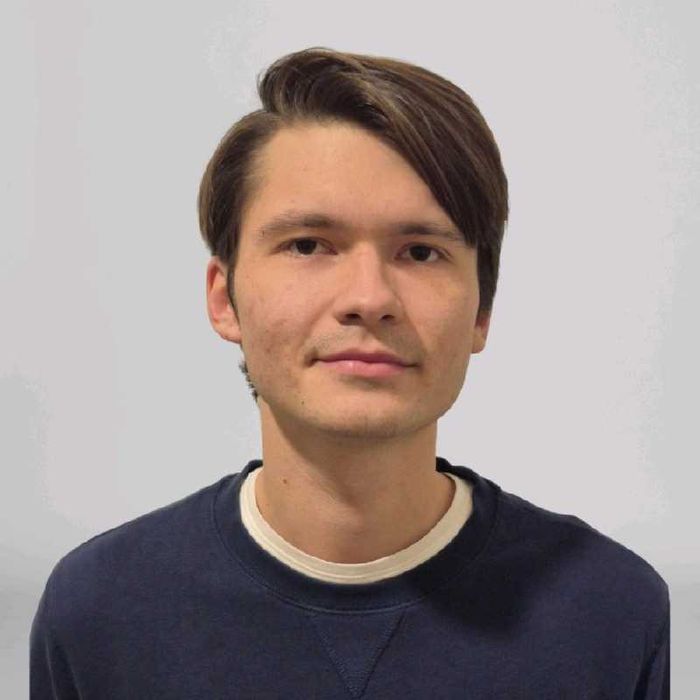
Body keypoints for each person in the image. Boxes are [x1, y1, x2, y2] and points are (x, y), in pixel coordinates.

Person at [30, 46, 670, 698]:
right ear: (224, 298)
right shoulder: (99, 612)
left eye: (420, 252)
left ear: (482, 311)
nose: (369, 297)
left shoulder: (610, 612)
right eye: (308, 245)